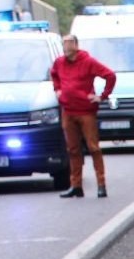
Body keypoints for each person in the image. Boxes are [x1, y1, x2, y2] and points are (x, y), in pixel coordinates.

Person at [49, 33, 115, 199]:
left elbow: (110, 75)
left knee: (93, 147)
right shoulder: (59, 62)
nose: (66, 46)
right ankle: (76, 185)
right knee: (72, 149)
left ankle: (101, 184)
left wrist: (102, 96)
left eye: (70, 42)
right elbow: (54, 74)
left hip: (86, 111)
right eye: (64, 43)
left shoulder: (88, 62)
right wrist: (58, 90)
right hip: (68, 110)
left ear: (76, 45)